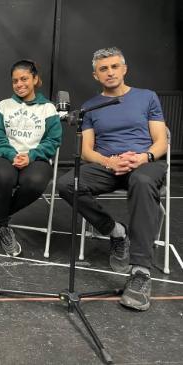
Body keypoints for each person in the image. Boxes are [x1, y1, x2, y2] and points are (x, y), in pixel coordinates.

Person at [57, 47, 168, 311]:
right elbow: (86, 151)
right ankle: (115, 231)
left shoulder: (147, 97)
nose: (110, 72)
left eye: (114, 66)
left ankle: (140, 272)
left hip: (143, 164)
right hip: (108, 165)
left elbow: (161, 140)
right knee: (66, 184)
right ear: (96, 75)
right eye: (103, 69)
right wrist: (110, 162)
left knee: (141, 182)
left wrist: (143, 158)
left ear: (124, 69)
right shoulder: (91, 106)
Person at [0, 60, 62, 256]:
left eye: (24, 79)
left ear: (35, 79)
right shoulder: (4, 106)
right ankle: (3, 226)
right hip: (5, 157)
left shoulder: (48, 109)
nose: (19, 84)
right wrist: (12, 154)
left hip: (36, 159)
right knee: (4, 178)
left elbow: (53, 140)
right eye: (15, 81)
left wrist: (31, 156)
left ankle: (0, 216)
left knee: (35, 183)